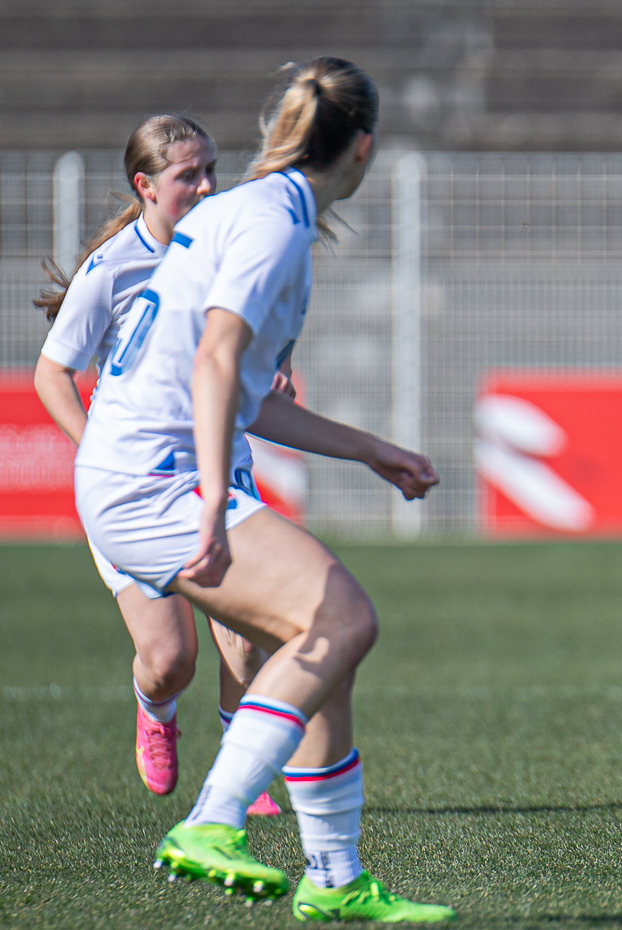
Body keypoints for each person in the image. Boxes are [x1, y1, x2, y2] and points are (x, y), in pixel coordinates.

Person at [75, 58, 453, 921]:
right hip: (152, 483)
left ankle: (335, 877)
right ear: (362, 149)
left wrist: (369, 450)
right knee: (345, 618)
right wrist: (213, 495)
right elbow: (213, 357)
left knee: (320, 648)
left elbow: (242, 395)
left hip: (133, 474)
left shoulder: (250, 208)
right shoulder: (272, 225)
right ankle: (211, 821)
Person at [34, 114, 282, 815]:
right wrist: (104, 453)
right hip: (134, 486)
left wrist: (277, 367)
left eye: (211, 171)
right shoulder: (111, 270)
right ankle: (156, 707)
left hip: (217, 467)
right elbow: (53, 375)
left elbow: (252, 330)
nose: (206, 186)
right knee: (173, 660)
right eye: (187, 176)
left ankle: (239, 775)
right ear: (145, 186)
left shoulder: (226, 249)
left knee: (246, 631)